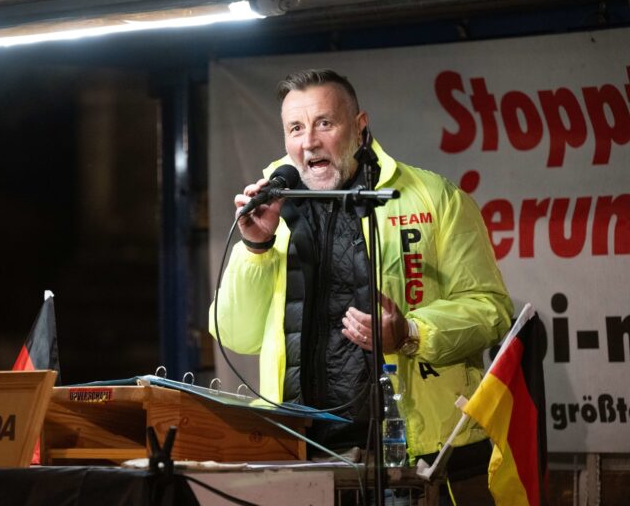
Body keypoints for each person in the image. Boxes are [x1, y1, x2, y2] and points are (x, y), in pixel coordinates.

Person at [209, 69, 512, 502]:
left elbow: (490, 309)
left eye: (324, 123)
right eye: (295, 128)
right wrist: (255, 247)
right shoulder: (270, 209)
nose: (308, 141)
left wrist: (410, 333)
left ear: (360, 126)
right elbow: (236, 335)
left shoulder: (432, 197)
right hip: (297, 452)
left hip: (406, 454)